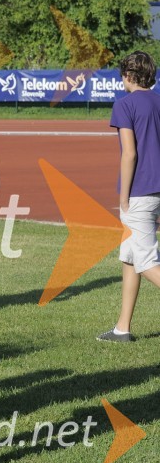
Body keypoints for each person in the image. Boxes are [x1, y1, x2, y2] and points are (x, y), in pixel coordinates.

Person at [97, 51, 160, 342]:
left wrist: (123, 199)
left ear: (127, 76)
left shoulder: (124, 104)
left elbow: (129, 153)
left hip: (140, 193)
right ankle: (122, 328)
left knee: (146, 262)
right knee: (130, 257)